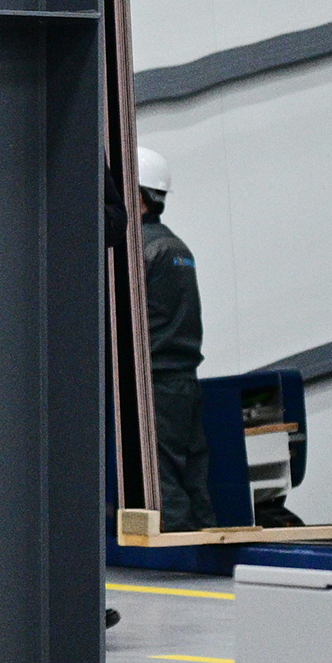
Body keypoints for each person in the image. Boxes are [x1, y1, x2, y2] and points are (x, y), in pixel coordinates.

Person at [140, 146, 213, 533]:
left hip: (155, 384)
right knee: (194, 479)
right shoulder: (177, 247)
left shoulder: (138, 249)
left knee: (162, 482)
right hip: (184, 380)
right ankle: (205, 553)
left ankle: (180, 558)